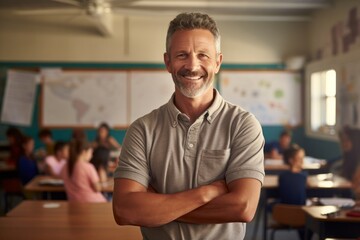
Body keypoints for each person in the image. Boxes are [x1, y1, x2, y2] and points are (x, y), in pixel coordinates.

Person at [113, 12, 264, 240]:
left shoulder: (243, 125)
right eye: (182, 55)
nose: (192, 65)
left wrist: (159, 208)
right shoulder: (142, 130)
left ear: (218, 62)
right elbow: (124, 210)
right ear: (167, 62)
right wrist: (207, 192)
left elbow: (243, 207)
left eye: (203, 55)